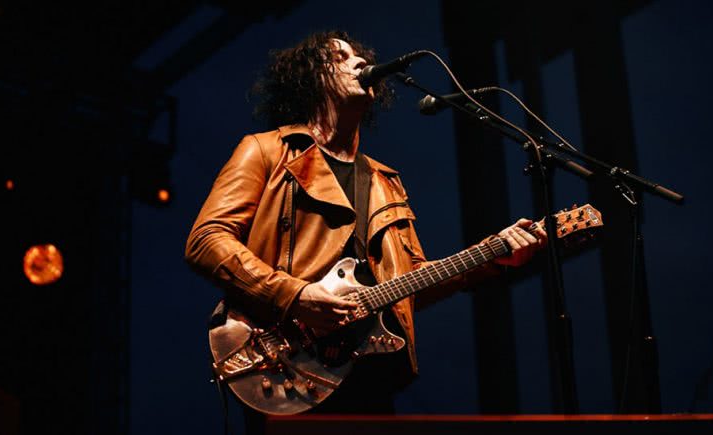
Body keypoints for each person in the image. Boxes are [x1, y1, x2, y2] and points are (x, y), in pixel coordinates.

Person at [184, 30, 546, 424]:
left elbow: (407, 283)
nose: (358, 61)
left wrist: (494, 255)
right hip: (287, 362)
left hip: (368, 375)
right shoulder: (266, 150)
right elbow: (206, 240)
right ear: (309, 78)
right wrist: (295, 295)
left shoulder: (383, 180)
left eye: (358, 55)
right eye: (339, 57)